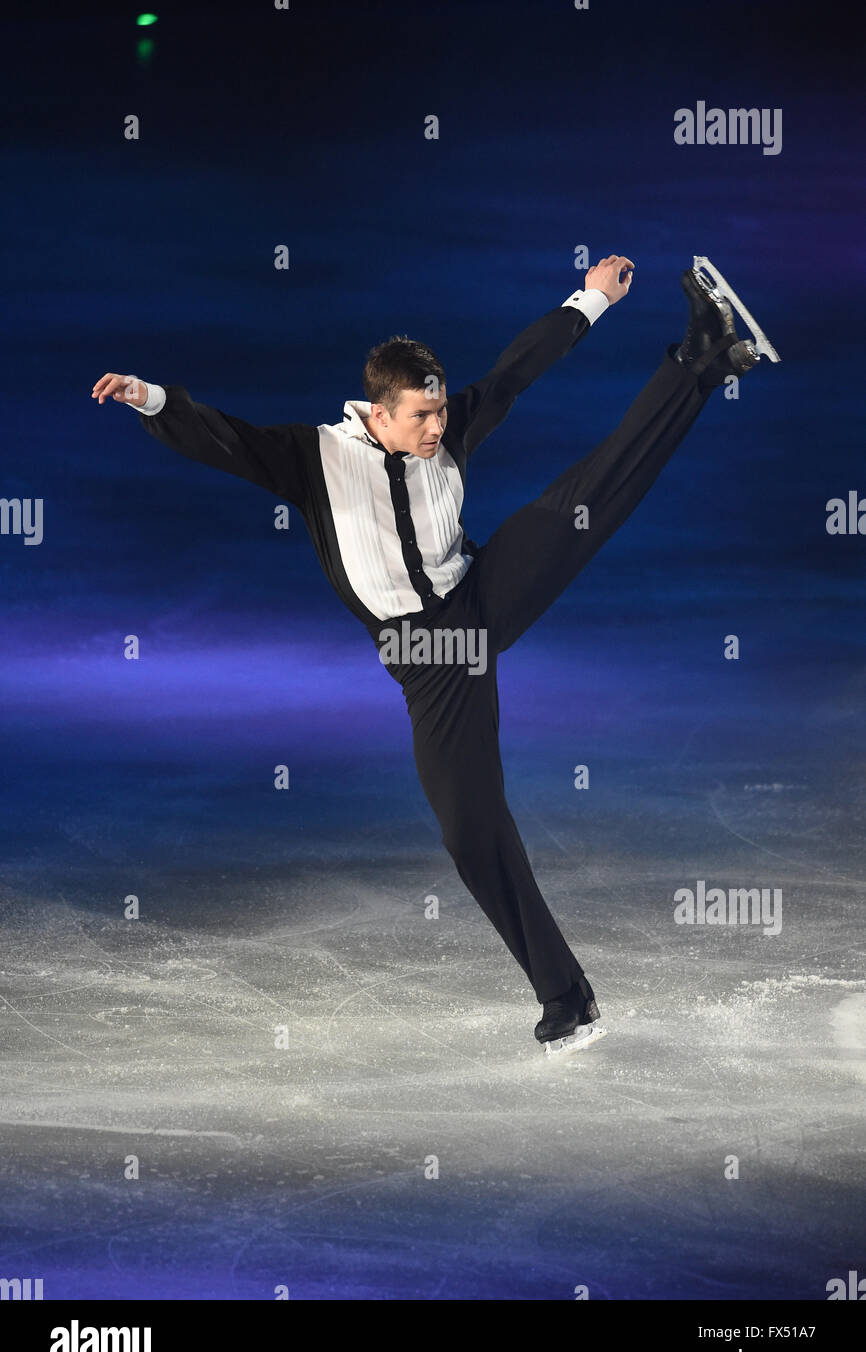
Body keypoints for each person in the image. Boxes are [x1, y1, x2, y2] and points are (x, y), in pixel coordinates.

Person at [92, 254, 776, 1056]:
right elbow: (223, 438)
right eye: (419, 416)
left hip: (481, 597)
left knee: (581, 502)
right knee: (470, 830)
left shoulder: (450, 428)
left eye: (441, 411)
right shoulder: (312, 459)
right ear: (376, 414)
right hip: (427, 658)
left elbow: (516, 371)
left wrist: (589, 298)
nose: (437, 427)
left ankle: (703, 358)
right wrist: (150, 398)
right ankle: (566, 998)